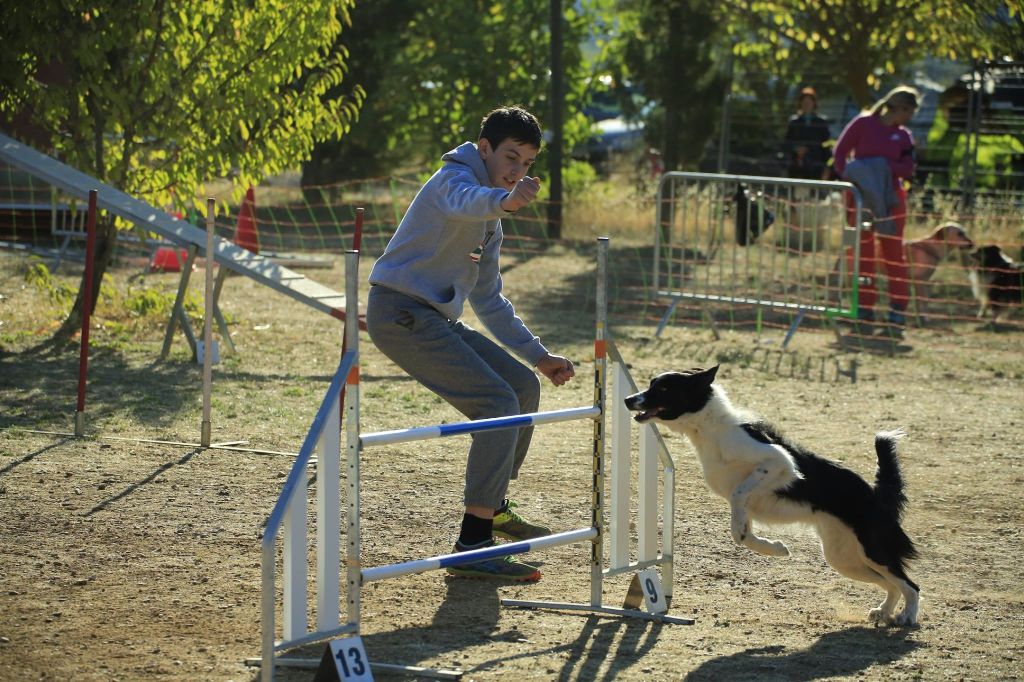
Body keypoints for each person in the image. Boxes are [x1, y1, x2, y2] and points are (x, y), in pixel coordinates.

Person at [365, 106, 575, 582]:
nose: (517, 171)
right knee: (497, 403)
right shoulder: (452, 182)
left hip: (433, 318)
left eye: (526, 164)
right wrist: (505, 202)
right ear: (484, 149)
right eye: (510, 157)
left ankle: (494, 507)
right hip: (400, 313)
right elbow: (466, 201)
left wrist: (539, 356)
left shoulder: (491, 216)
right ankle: (473, 544)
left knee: (521, 389)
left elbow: (489, 298)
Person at [832, 85, 920, 334]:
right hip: (861, 200)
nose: (909, 117)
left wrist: (879, 166)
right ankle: (864, 306)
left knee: (894, 253)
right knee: (863, 254)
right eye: (909, 111)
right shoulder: (863, 124)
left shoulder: (903, 136)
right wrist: (852, 179)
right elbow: (840, 153)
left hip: (892, 200)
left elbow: (907, 168)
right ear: (899, 107)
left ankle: (897, 308)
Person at [783, 87, 832, 180]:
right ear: (800, 103)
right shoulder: (794, 122)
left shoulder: (821, 122)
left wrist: (827, 168)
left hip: (816, 168)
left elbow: (826, 146)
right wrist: (796, 149)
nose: (807, 104)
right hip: (797, 167)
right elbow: (787, 143)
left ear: (814, 103)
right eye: (804, 102)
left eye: (809, 102)